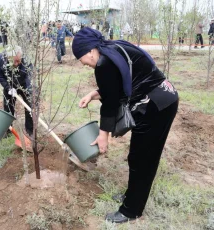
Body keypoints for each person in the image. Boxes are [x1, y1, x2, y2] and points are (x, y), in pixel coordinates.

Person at [72, 28, 179, 223]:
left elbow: (111, 103)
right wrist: (92, 94)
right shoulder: (112, 49)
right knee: (138, 156)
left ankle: (132, 210)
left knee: (143, 158)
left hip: (157, 106)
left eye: (81, 59)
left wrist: (103, 135)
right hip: (161, 98)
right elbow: (115, 84)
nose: (83, 64)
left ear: (89, 51)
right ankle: (132, 197)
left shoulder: (104, 63)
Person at [0, 45, 34, 137]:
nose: (16, 63)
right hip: (10, 84)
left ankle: (30, 130)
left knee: (29, 106)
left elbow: (30, 75)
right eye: (14, 61)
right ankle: (8, 130)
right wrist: (8, 87)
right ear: (8, 57)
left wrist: (28, 90)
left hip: (24, 83)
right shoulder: (1, 58)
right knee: (8, 106)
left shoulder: (26, 59)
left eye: (18, 61)